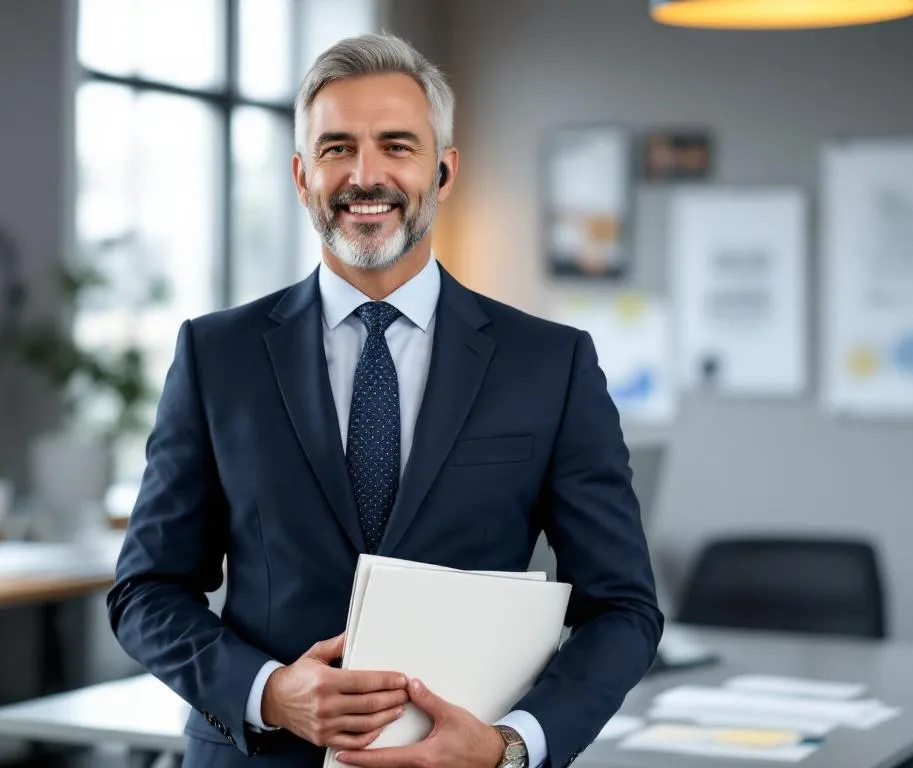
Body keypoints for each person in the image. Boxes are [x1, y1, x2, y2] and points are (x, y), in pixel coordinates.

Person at [108, 32, 663, 768]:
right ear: (302, 175)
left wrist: (509, 747)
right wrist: (268, 692)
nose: (365, 175)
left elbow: (623, 608)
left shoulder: (550, 365)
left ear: (443, 170)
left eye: (396, 145)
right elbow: (146, 590)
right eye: (337, 148)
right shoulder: (217, 357)